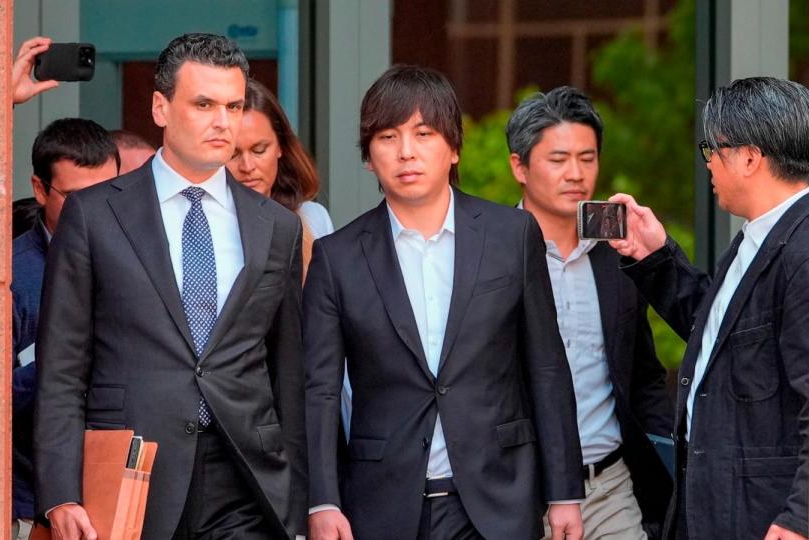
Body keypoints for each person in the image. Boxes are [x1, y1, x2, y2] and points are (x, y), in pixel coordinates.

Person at [34, 33, 307, 540]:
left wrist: (298, 500)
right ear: (160, 107)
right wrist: (61, 491)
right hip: (132, 469)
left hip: (246, 478)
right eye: (203, 104)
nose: (222, 121)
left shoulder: (277, 226)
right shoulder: (94, 215)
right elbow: (62, 369)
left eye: (232, 104)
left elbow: (287, 371)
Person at [304, 64, 584, 540]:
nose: (406, 152)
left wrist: (563, 492)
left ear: (453, 148)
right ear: (369, 157)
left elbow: (546, 367)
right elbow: (319, 390)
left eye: (424, 133)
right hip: (382, 503)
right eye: (388, 137)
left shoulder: (511, 236)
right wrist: (322, 499)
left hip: (497, 499)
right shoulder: (337, 257)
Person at [609, 76, 809, 540]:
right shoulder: (756, 239)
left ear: (749, 157)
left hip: (765, 517)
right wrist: (655, 256)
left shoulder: (800, 249)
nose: (709, 167)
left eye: (711, 152)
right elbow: (724, 338)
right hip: (719, 510)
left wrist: (801, 516)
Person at [506, 86, 673, 539]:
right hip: (520, 491)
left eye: (588, 157)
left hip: (610, 486)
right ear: (519, 166)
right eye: (558, 159)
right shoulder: (490, 255)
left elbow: (643, 374)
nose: (575, 173)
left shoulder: (617, 256)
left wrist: (668, 454)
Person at [11, 118, 120, 540]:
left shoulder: (142, 256)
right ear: (40, 190)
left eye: (108, 192)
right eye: (77, 197)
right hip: (34, 506)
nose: (94, 209)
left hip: (125, 493)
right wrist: (59, 363)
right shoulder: (14, 276)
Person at [227, 78, 333, 278]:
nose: (247, 167)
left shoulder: (314, 218)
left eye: (259, 150)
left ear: (280, 146)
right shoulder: (204, 222)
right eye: (233, 155)